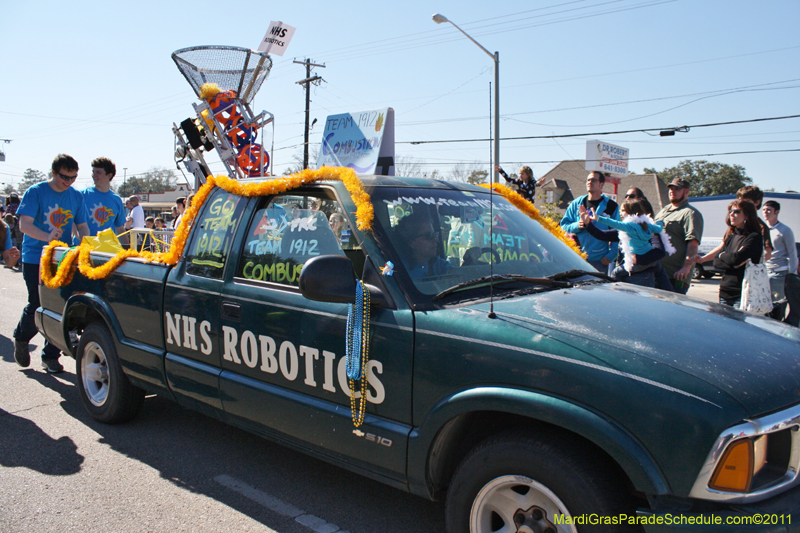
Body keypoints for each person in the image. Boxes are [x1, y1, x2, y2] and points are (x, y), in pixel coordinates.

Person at [13, 154, 89, 373]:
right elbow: (24, 225)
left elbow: (82, 225)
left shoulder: (75, 196)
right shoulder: (35, 192)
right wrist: (46, 236)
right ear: (54, 173)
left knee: (61, 307)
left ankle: (50, 356)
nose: (69, 182)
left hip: (62, 258)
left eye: (73, 178)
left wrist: (86, 241)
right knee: (37, 302)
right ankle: (22, 338)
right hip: (35, 257)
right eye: (65, 177)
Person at [694, 200, 762, 308]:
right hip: (725, 292)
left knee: (739, 324)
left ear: (747, 215)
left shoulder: (754, 237)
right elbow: (716, 263)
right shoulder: (731, 236)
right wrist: (725, 258)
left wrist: (724, 257)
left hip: (743, 293)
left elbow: (736, 259)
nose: (731, 214)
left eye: (737, 211)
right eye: (730, 211)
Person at [560, 171, 619, 274]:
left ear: (601, 184)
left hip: (600, 260)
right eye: (588, 180)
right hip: (576, 258)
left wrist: (611, 255)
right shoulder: (576, 204)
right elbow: (564, 225)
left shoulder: (611, 206)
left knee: (596, 289)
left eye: (594, 180)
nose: (589, 182)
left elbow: (618, 232)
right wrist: (577, 225)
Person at [654, 178, 703, 294]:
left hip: (675, 276)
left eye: (677, 189)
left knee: (671, 311)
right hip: (656, 272)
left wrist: (687, 267)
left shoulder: (690, 213)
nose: (672, 191)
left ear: (686, 191)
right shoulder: (664, 211)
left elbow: (693, 243)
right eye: (671, 188)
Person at [762, 200, 798, 322]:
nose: (765, 212)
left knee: (776, 307)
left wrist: (792, 274)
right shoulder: (761, 229)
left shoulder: (784, 230)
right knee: (763, 304)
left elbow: (793, 253)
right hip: (764, 271)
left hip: (779, 273)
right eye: (764, 210)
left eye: (769, 210)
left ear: (776, 212)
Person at [395, 212, 452, 279]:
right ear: (411, 243)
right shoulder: (400, 272)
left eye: (435, 235)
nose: (436, 240)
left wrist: (466, 263)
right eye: (428, 236)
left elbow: (458, 278)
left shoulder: (439, 264)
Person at [81, 157, 126, 237]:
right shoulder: (82, 195)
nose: (94, 175)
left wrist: (127, 248)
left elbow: (120, 229)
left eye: (98, 172)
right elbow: (73, 223)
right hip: (83, 247)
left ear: (109, 175)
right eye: (93, 172)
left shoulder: (116, 200)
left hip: (105, 248)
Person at [737, 186, 773, 260]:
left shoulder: (761, 227)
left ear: (757, 202)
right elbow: (723, 246)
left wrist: (742, 261)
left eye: (744, 201)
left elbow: (767, 254)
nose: (740, 204)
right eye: (740, 200)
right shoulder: (736, 223)